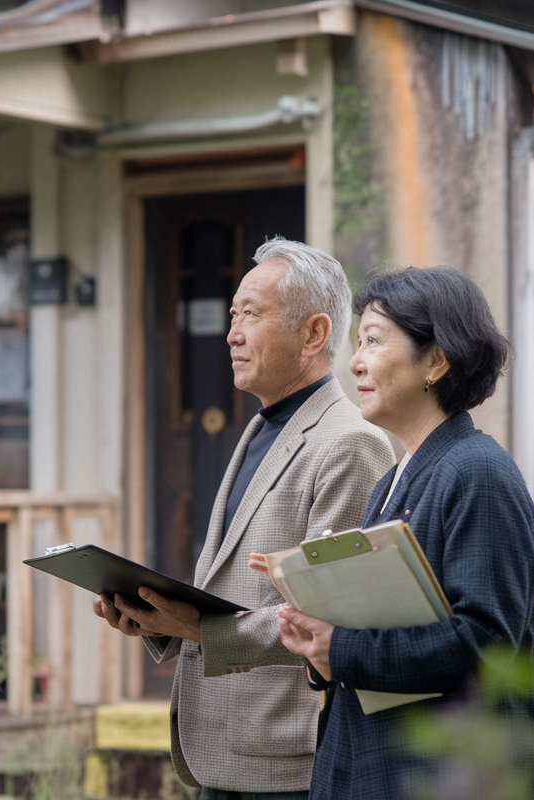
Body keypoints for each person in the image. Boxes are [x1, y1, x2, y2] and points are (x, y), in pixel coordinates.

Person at [94, 237, 394, 799]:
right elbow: (233, 587)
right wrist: (159, 620)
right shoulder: (259, 428)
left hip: (284, 762)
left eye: (251, 314)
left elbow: (327, 616)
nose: (231, 333)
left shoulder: (351, 444)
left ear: (314, 334)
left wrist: (198, 627)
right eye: (232, 315)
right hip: (220, 754)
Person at [268, 266, 534, 799]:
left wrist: (344, 650)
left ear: (436, 360)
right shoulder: (391, 482)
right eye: (356, 343)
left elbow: (486, 645)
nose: (354, 361)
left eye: (373, 341)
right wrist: (319, 648)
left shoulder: (478, 472)